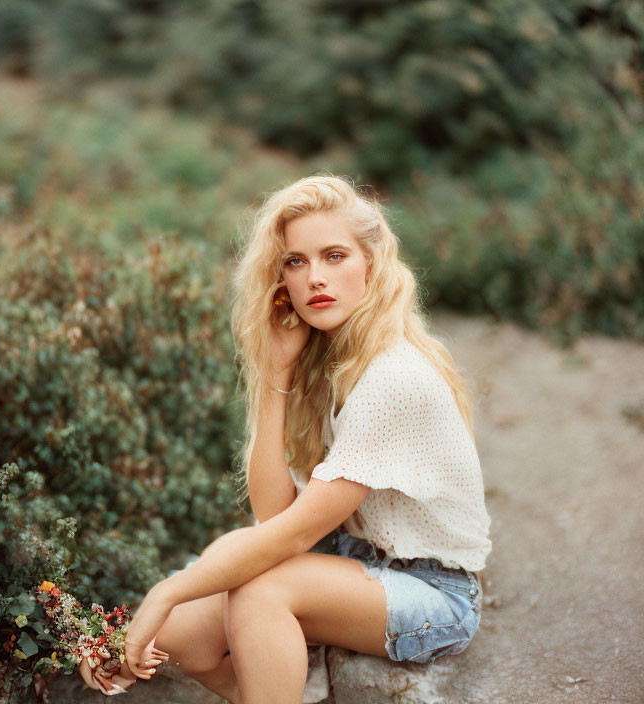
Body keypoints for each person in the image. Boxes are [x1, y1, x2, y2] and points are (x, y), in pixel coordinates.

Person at [91, 174, 492, 703]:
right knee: (191, 614)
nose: (314, 278)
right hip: (356, 560)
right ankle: (260, 685)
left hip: (436, 594)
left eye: (334, 256)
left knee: (257, 586)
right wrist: (275, 375)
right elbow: (274, 513)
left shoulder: (393, 377)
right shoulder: (334, 361)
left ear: (371, 263)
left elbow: (291, 537)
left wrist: (166, 591)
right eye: (296, 262)